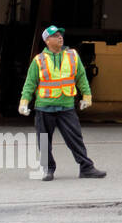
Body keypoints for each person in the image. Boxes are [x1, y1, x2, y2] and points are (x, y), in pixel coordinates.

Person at [18, 26, 106, 180]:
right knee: (44, 140)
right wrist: (24, 102)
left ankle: (86, 168)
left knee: (75, 138)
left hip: (66, 106)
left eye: (61, 35)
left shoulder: (72, 56)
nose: (60, 37)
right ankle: (47, 169)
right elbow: (30, 83)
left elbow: (81, 77)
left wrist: (87, 96)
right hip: (44, 107)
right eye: (55, 35)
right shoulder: (39, 60)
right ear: (47, 40)